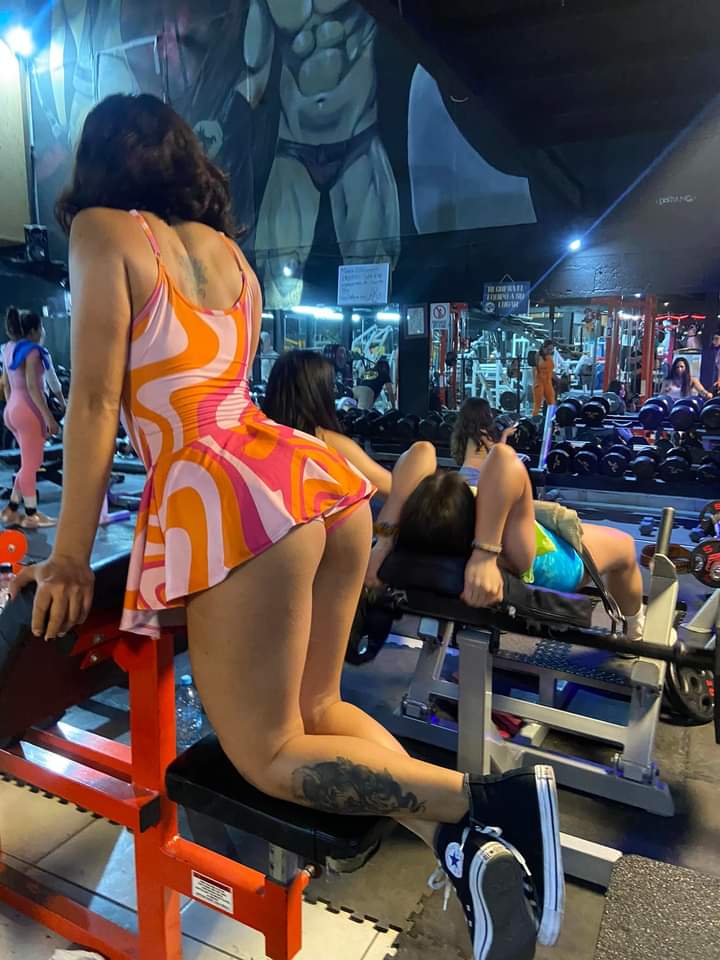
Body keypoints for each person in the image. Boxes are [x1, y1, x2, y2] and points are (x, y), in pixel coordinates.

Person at [12, 94, 562, 959]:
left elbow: (93, 402)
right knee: (318, 707)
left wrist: (72, 557)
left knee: (266, 753)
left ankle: (489, 803)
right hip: (310, 480)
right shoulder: (233, 257)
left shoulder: (102, 231)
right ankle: (464, 839)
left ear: (102, 161)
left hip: (224, 492)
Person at [368, 397, 646, 643]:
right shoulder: (509, 547)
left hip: (478, 533)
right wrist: (484, 556)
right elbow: (503, 458)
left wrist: (383, 545)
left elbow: (421, 452)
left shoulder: (427, 523)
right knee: (624, 545)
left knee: (428, 455)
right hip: (548, 563)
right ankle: (633, 637)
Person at [263, 349, 431, 503]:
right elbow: (392, 489)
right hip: (337, 524)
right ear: (318, 393)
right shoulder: (325, 440)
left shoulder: (260, 438)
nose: (335, 391)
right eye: (330, 386)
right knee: (424, 453)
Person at [0, 307, 61, 528]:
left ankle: (11, 511)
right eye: (41, 327)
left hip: (12, 410)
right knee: (32, 465)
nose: (43, 331)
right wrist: (49, 418)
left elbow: (6, 385)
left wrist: (12, 408)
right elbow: (33, 387)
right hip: (28, 410)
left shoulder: (8, 348)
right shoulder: (33, 351)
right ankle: (32, 515)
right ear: (33, 331)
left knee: (27, 464)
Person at [532, 339, 555, 416]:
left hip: (548, 381)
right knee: (537, 404)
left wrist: (557, 379)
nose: (550, 351)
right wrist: (535, 382)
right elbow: (534, 369)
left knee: (551, 402)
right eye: (548, 349)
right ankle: (534, 419)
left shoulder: (550, 357)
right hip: (539, 381)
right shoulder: (538, 355)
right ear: (544, 348)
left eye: (551, 349)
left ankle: (550, 418)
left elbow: (551, 371)